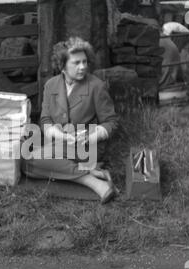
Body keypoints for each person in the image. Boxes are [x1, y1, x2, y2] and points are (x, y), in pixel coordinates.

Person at [21, 37, 119, 204]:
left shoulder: (96, 86)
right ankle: (91, 173)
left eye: (85, 61)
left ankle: (96, 184)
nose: (83, 67)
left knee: (30, 161)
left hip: (87, 146)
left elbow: (111, 122)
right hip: (60, 144)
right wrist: (57, 134)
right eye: (76, 63)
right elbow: (45, 120)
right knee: (25, 162)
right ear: (62, 65)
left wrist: (92, 136)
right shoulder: (50, 85)